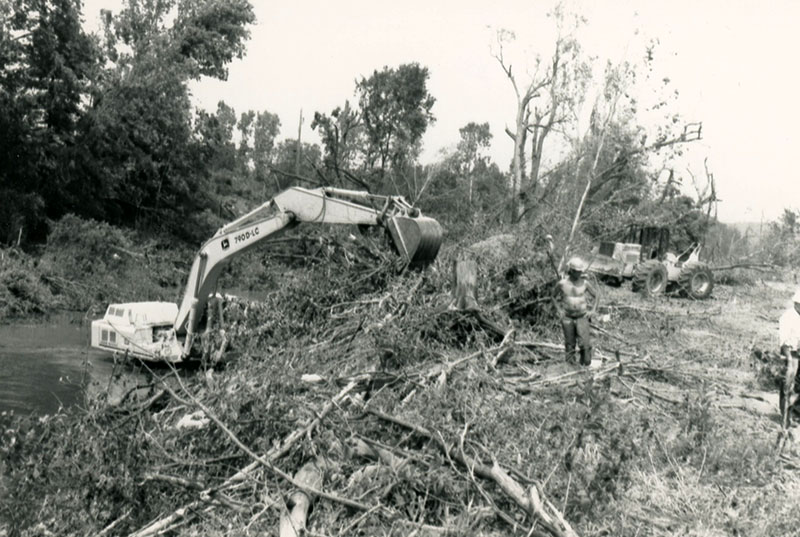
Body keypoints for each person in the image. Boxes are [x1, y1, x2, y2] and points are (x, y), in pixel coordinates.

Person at [555, 256, 597, 366]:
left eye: (580, 271)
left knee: (584, 343)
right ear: (571, 271)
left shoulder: (585, 283)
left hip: (582, 316)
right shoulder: (562, 284)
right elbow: (552, 296)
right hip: (567, 316)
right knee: (569, 342)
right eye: (577, 271)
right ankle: (570, 366)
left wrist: (592, 310)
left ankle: (585, 363)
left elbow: (597, 296)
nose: (579, 273)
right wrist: (559, 310)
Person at [779, 289, 800, 429]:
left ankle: (796, 413)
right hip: (790, 353)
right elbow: (784, 342)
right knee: (787, 384)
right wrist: (790, 361)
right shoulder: (787, 317)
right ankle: (785, 416)